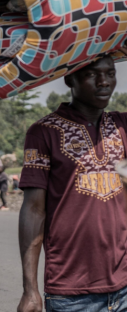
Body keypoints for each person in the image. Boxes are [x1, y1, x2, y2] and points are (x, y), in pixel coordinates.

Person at [17, 55, 127, 312]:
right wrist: (30, 290)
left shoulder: (122, 126)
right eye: (92, 75)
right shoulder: (44, 132)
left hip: (123, 289)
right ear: (70, 78)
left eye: (110, 73)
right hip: (72, 295)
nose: (104, 82)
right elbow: (34, 210)